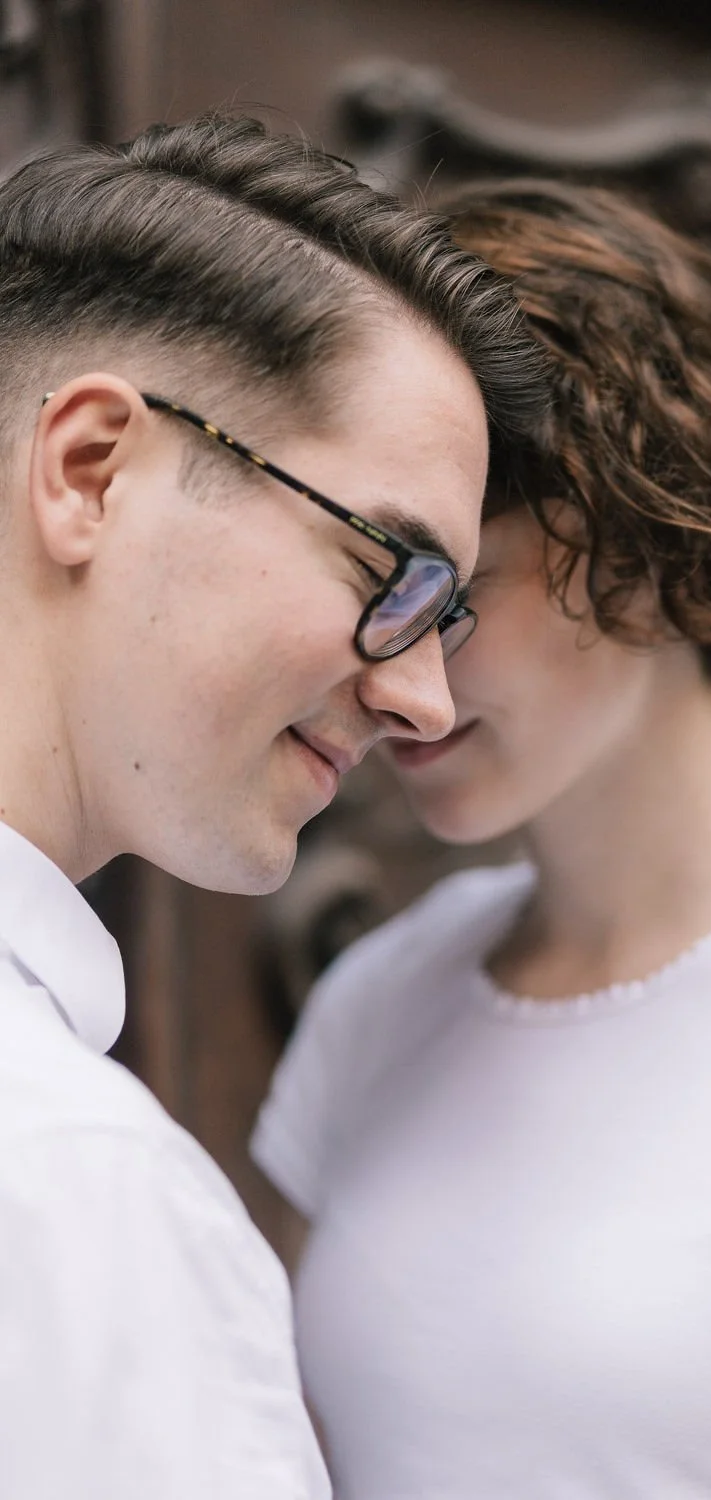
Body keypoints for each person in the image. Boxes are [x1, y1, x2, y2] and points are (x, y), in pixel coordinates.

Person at [253, 179, 711, 1499]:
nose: (394, 670)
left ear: (650, 541)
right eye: (370, 593)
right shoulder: (377, 1002)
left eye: (453, 596)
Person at [0, 119, 548, 1499]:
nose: (425, 696)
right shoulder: (73, 1191)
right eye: (395, 571)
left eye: (448, 612)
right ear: (89, 470)